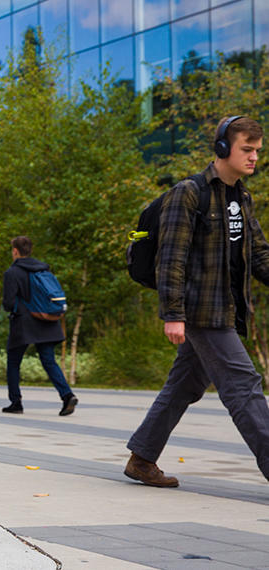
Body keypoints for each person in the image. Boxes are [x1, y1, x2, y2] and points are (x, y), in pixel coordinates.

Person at [126, 116, 269, 488]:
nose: (255, 157)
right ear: (223, 148)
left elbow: (258, 256)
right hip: (202, 312)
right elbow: (171, 258)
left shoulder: (242, 197)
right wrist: (173, 314)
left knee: (185, 385)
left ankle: (142, 458)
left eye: (257, 150)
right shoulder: (189, 193)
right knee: (244, 387)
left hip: (228, 310)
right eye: (247, 150)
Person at [1, 236, 78, 416]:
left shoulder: (12, 273)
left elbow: (8, 302)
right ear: (30, 250)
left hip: (24, 322)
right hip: (48, 320)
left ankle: (16, 403)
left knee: (13, 362)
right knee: (49, 360)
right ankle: (67, 395)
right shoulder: (43, 269)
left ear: (15, 251)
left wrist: (16, 308)